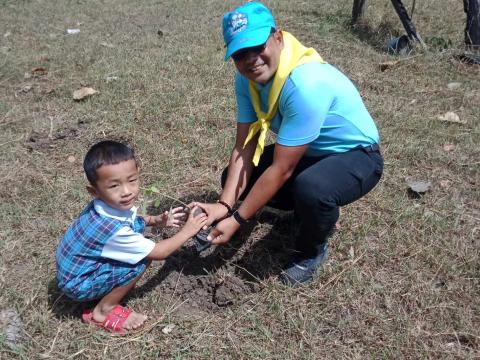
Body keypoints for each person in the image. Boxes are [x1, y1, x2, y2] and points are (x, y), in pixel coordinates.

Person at [193, 2, 384, 286]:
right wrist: (224, 203)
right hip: (310, 151)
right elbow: (245, 145)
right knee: (233, 178)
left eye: (258, 46)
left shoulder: (305, 85)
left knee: (312, 190)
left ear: (278, 37)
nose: (251, 59)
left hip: (357, 156)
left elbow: (282, 169)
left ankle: (311, 249)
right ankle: (307, 211)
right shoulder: (246, 81)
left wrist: (238, 219)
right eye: (240, 54)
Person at [56, 140, 207, 333]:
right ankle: (103, 311)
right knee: (141, 259)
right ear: (94, 191)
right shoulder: (113, 230)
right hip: (78, 285)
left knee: (136, 241)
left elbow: (131, 218)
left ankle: (102, 293)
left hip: (74, 272)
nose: (126, 191)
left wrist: (155, 220)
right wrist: (189, 230)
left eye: (132, 180)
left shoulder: (104, 207)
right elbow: (160, 252)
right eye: (114, 186)